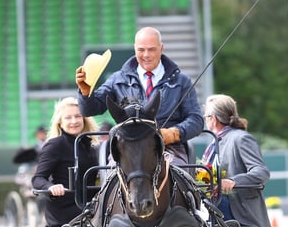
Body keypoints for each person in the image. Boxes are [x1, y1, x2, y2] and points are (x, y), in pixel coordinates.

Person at [75, 27, 203, 167]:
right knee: (110, 180)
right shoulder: (118, 79)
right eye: (141, 50)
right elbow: (90, 110)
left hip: (170, 148)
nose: (146, 55)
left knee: (179, 180)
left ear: (161, 48)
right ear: (135, 49)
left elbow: (196, 120)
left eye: (152, 49)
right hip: (125, 148)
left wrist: (173, 134)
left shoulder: (181, 81)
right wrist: (85, 93)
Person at [203, 94, 271, 227]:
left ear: (213, 119)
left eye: (205, 116)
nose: (205, 120)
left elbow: (261, 171)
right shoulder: (215, 141)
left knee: (201, 204)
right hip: (219, 202)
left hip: (237, 207)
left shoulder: (241, 138)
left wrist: (233, 181)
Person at [31, 97, 99, 227]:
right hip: (66, 212)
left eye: (78, 116)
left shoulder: (90, 145)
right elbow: (38, 178)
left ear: (84, 119)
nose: (74, 121)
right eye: (68, 117)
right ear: (60, 122)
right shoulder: (54, 145)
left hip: (92, 209)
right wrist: (51, 187)